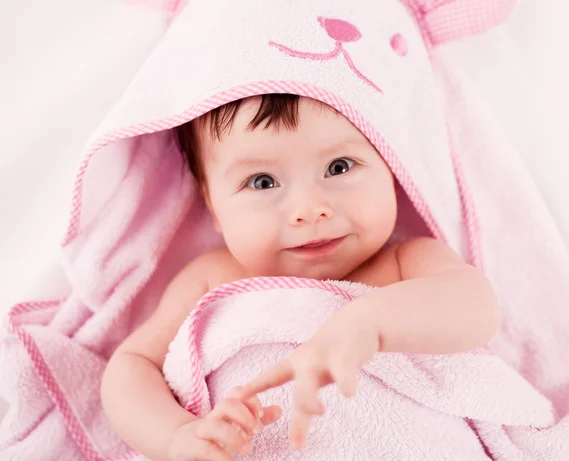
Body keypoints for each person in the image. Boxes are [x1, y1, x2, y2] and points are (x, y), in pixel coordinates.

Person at [101, 94, 499, 461]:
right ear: (215, 208)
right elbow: (133, 366)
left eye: (338, 167)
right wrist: (175, 436)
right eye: (262, 182)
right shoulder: (213, 278)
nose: (309, 210)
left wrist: (371, 323)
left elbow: (477, 308)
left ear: (391, 170)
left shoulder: (406, 264)